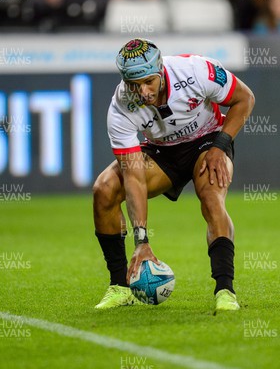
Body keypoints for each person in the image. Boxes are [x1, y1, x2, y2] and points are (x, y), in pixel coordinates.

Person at [92, 38, 255, 311]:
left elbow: (244, 99)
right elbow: (133, 176)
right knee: (104, 189)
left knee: (212, 196)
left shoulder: (196, 71)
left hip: (207, 142)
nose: (142, 92)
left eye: (148, 82)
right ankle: (121, 287)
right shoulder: (122, 104)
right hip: (161, 153)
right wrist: (141, 240)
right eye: (133, 85)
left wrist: (221, 146)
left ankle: (225, 291)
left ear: (160, 70)